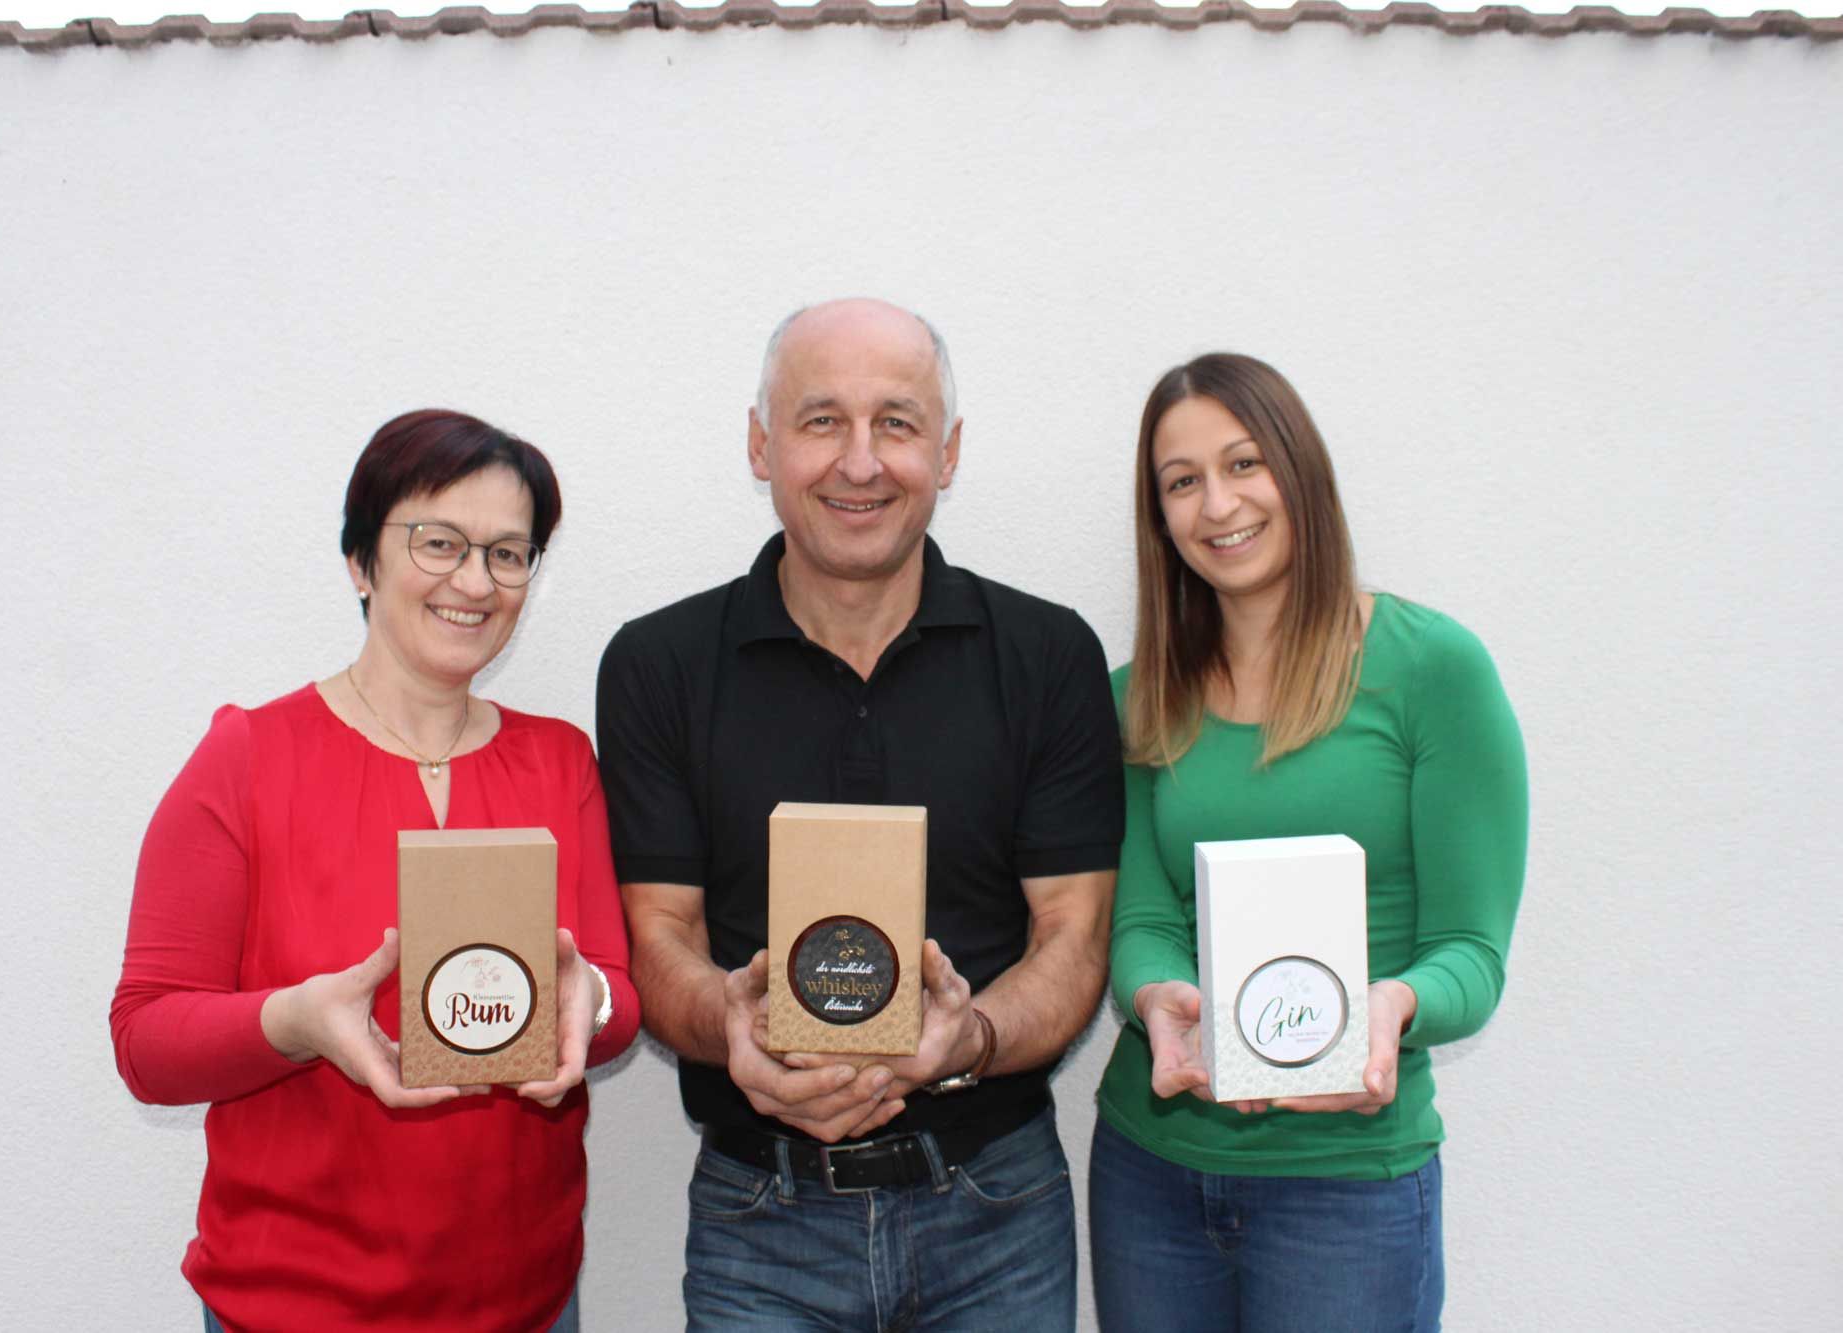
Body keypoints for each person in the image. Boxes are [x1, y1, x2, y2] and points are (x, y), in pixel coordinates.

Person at [596, 298, 1123, 1330]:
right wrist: (732, 1033)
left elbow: (1076, 934)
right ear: (760, 441)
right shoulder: (657, 665)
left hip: (995, 1209)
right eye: (820, 419)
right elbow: (657, 938)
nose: (859, 461)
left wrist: (966, 1035)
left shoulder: (1047, 655)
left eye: (895, 422)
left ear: (947, 449)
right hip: (760, 1218)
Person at [109, 409, 639, 1333]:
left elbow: (616, 1000)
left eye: (509, 554)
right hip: (289, 1308)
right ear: (361, 560)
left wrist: (584, 999)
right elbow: (147, 1041)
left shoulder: (560, 762)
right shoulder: (248, 758)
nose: (475, 581)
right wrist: (297, 1020)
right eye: (440, 542)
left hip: (527, 1303)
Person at [1087, 353, 1528, 1332]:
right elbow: (1144, 918)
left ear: (1300, 472)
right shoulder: (1132, 698)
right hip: (1149, 1177)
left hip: (1349, 1194)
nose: (1217, 504)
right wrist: (1156, 999)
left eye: (1243, 463)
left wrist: (1389, 1005)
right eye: (1180, 481)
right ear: (1157, 515)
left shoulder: (1432, 670)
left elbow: (1472, 952)